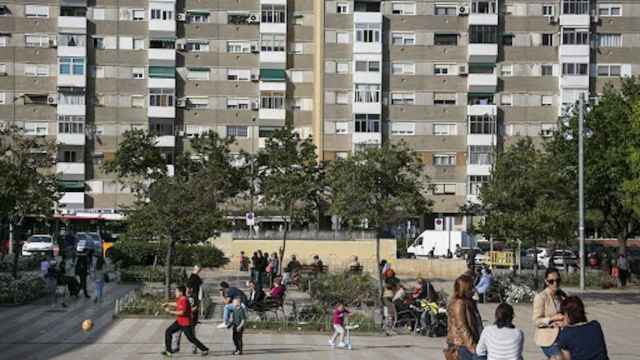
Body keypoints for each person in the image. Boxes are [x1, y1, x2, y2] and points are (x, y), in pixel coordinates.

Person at [161, 285, 209, 357]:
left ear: (181, 292)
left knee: (191, 338)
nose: (175, 293)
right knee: (168, 331)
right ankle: (168, 351)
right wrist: (168, 303)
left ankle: (205, 349)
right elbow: (177, 304)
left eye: (176, 291)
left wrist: (170, 311)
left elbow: (182, 312)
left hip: (186, 323)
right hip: (179, 321)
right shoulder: (180, 299)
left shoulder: (184, 300)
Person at [446, 274, 483, 360]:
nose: (474, 290)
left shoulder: (468, 301)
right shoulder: (459, 303)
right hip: (462, 344)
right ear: (464, 289)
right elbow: (462, 327)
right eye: (471, 288)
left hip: (468, 342)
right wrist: (471, 346)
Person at [533, 268, 567, 359]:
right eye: (551, 281)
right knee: (558, 357)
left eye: (558, 280)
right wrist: (552, 318)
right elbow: (536, 321)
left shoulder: (562, 296)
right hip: (547, 337)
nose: (555, 283)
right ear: (546, 282)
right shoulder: (541, 297)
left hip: (563, 335)